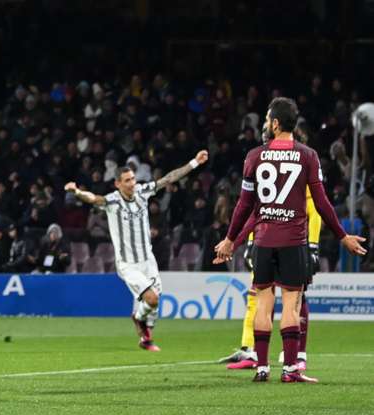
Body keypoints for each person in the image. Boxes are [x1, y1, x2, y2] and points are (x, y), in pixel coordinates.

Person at [215, 97, 367, 383]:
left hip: (262, 240)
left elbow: (244, 206)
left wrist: (229, 239)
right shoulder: (308, 155)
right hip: (293, 240)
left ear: (274, 123)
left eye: (266, 119)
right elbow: (321, 202)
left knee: (263, 302)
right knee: (292, 303)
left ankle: (261, 368)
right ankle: (290, 370)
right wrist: (342, 235)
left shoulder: (254, 156)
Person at [66, 150, 209, 351]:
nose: (132, 183)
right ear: (118, 184)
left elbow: (169, 178)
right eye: (127, 180)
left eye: (133, 179)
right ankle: (140, 322)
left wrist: (194, 162)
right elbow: (93, 198)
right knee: (151, 298)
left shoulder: (143, 192)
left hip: (148, 261)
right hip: (128, 264)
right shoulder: (112, 201)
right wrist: (77, 192)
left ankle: (144, 335)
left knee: (154, 304)